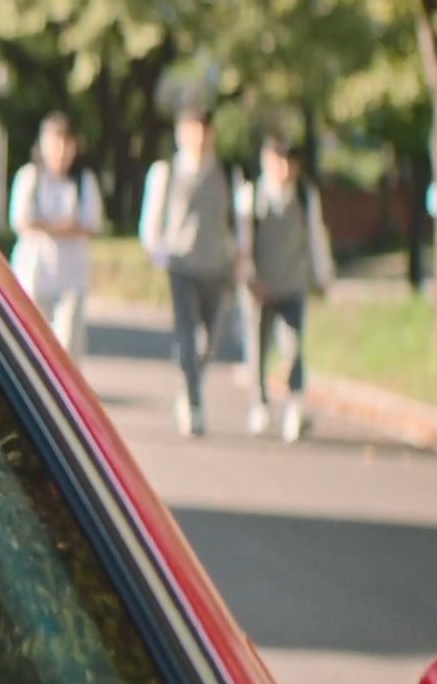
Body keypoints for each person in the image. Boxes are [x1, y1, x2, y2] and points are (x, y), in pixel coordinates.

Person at [140, 105, 239, 437]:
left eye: (203, 130)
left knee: (208, 341)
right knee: (186, 334)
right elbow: (152, 224)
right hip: (181, 266)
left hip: (217, 267)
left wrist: (239, 257)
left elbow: (237, 222)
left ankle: (190, 384)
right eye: (191, 129)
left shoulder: (228, 173)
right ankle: (194, 404)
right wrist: (161, 256)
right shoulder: (166, 172)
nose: (198, 137)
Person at [237, 134, 335, 442]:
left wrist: (323, 275)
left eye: (289, 162)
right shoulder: (251, 195)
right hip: (259, 286)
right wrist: (248, 277)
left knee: (293, 348)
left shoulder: (305, 197)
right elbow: (243, 242)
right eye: (277, 161)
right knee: (258, 349)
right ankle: (260, 404)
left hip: (292, 283)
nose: (284, 169)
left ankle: (295, 405)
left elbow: (316, 237)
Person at [8, 112, 105, 361]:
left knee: (67, 347)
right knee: (33, 345)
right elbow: (22, 220)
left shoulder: (83, 180)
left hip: (71, 277)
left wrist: (47, 225)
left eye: (65, 144)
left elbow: (91, 223)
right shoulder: (30, 176)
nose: (60, 152)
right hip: (35, 275)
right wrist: (66, 226)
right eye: (54, 143)